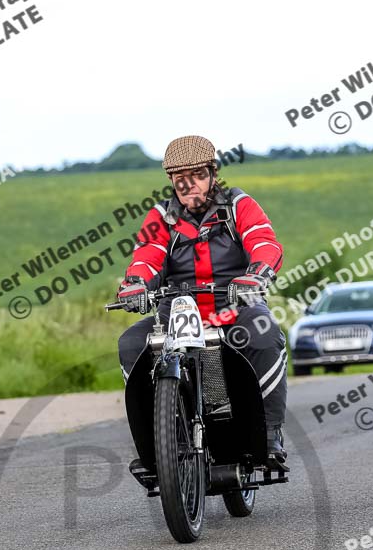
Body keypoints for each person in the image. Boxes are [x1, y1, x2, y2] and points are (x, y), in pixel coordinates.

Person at [117, 135, 287, 463]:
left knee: (265, 334)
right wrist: (136, 284)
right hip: (175, 311)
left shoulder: (239, 205)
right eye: (180, 179)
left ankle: (270, 432)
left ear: (212, 172)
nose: (189, 185)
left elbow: (263, 241)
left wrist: (255, 275)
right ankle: (161, 442)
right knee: (130, 343)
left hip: (234, 305)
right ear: (171, 180)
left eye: (196, 176)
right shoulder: (161, 216)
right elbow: (148, 254)